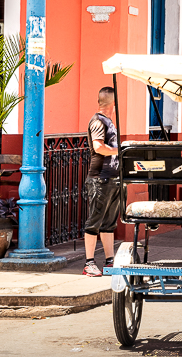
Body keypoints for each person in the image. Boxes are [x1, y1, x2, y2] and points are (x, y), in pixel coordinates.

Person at [83, 87, 121, 277]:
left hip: (112, 178)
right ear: (112, 103)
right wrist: (120, 151)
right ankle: (89, 263)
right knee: (94, 222)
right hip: (100, 178)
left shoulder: (109, 121)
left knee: (109, 223)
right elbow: (99, 147)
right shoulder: (98, 121)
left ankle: (109, 261)